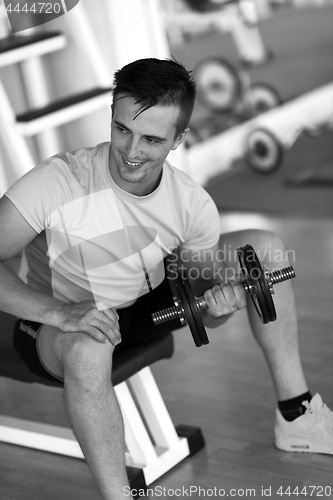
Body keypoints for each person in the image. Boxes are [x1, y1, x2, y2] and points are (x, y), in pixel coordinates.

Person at [0, 58, 332, 499]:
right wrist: (59, 312)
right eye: (122, 129)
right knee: (87, 348)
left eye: (152, 139)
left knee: (265, 250)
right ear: (113, 118)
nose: (131, 151)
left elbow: (200, 303)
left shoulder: (190, 203)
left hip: (143, 303)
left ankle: (297, 416)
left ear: (179, 139)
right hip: (59, 323)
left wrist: (219, 310)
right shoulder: (59, 181)